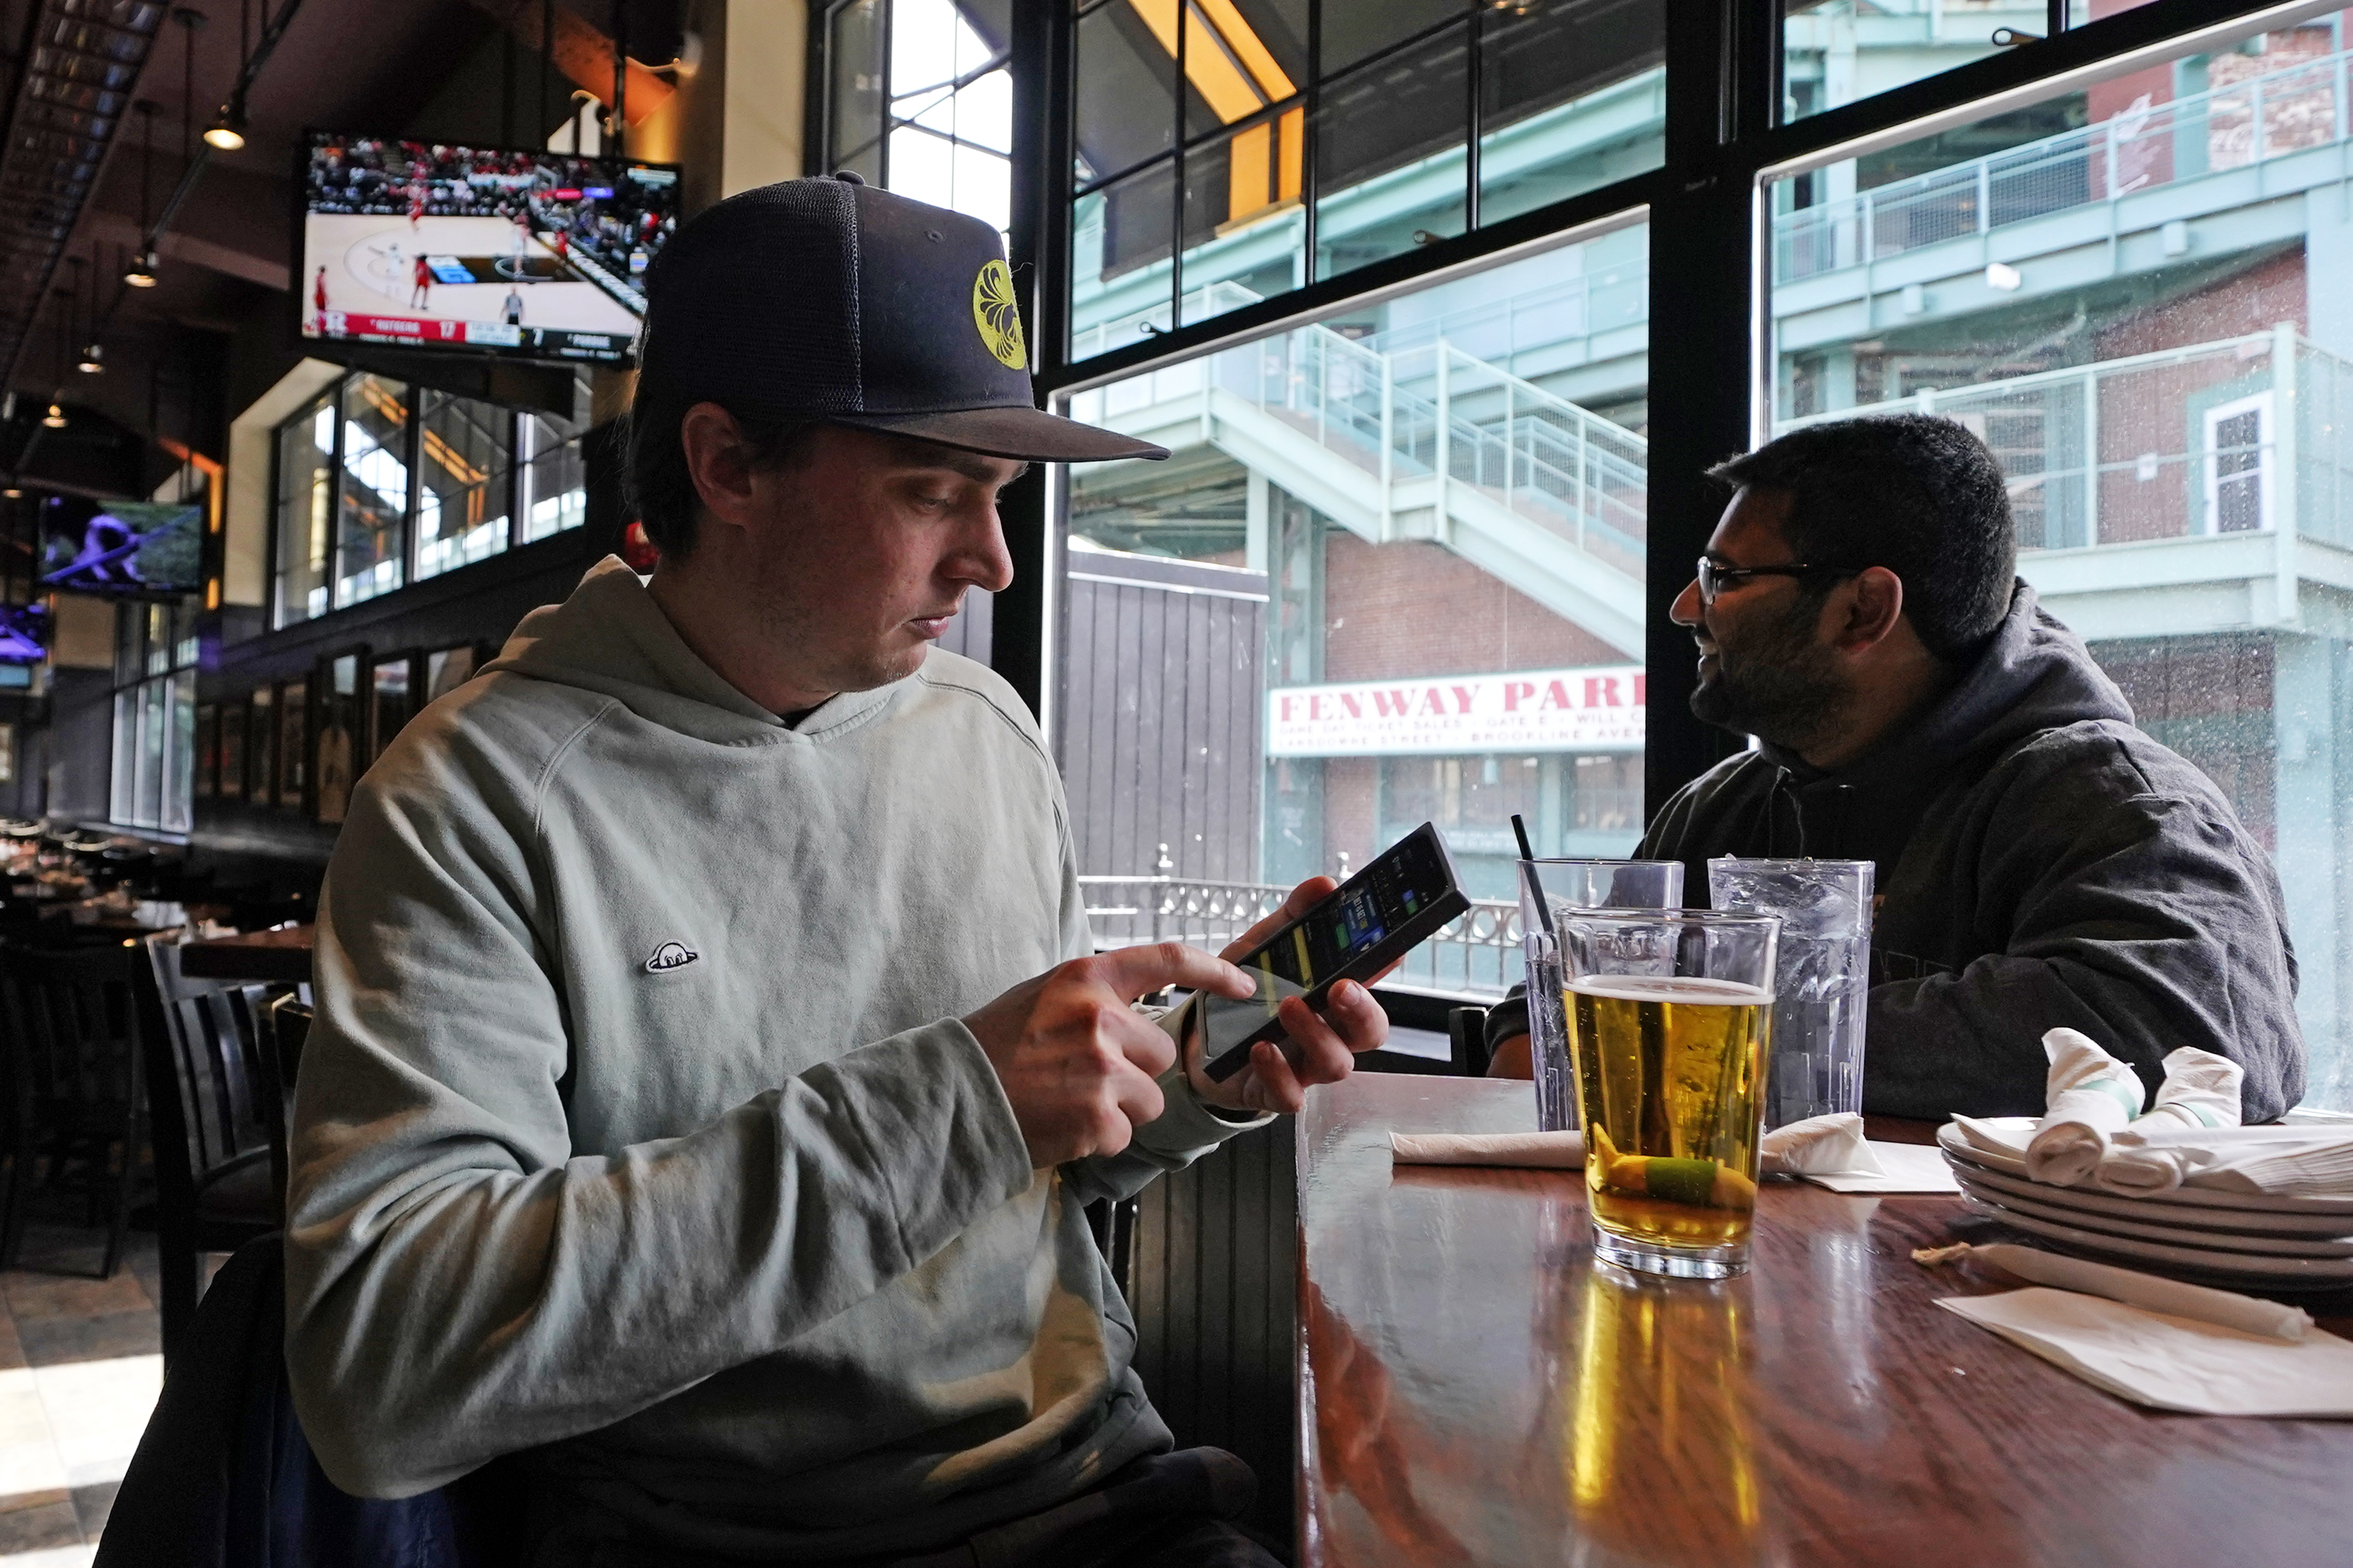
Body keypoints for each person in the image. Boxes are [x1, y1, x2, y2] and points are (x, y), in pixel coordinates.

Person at [283, 174, 1390, 1566]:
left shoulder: (985, 731)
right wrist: (958, 1104)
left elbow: (1019, 1176)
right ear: (727, 466)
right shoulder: (474, 798)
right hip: (730, 1538)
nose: (989, 559)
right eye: (936, 494)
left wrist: (1183, 1084)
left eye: (998, 500)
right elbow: (386, 1368)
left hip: (1099, 1488)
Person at [1487, 414, 2304, 1121]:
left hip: (1996, 1296)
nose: (1684, 608)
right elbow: (1549, 1024)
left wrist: (1710, 1037)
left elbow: (2200, 1029)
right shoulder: (1717, 811)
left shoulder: (2113, 801)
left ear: (1864, 610)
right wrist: (1541, 1031)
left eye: (1723, 578)